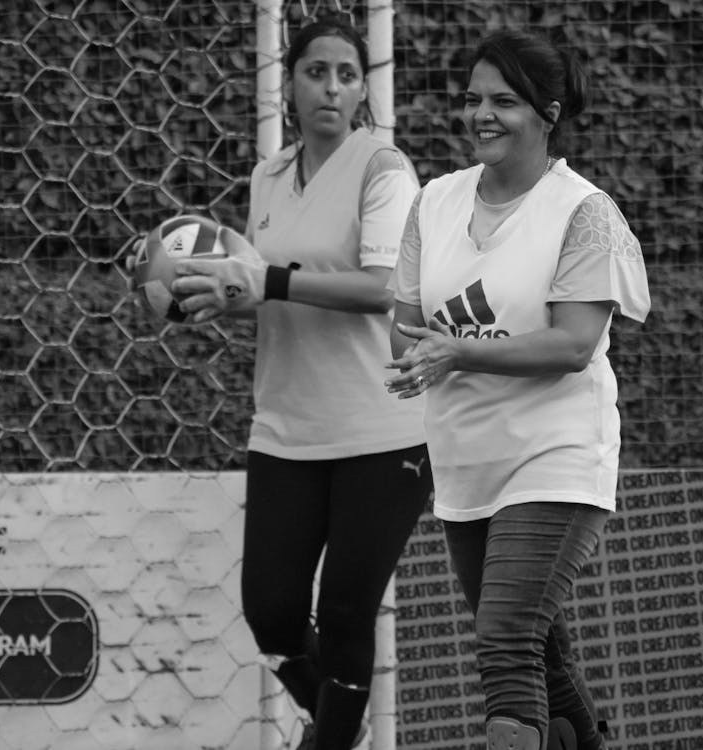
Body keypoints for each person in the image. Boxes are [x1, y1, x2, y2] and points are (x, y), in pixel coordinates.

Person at [167, 17, 431, 750]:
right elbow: (264, 293)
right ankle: (335, 727)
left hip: (382, 433)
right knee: (274, 614)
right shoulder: (269, 175)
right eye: (317, 71)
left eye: (348, 75)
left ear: (362, 91)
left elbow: (384, 289)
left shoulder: (385, 167)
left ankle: (329, 740)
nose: (332, 88)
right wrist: (208, 292)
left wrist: (269, 279)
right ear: (290, 82)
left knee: (347, 614)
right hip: (285, 428)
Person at [385, 29, 650, 750]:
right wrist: (419, 358)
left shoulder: (586, 212)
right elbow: (404, 330)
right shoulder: (433, 203)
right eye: (472, 99)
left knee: (503, 639)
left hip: (556, 455)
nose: (481, 115)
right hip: (467, 460)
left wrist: (456, 352)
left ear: (549, 113)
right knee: (544, 657)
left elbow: (571, 344)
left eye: (504, 100)